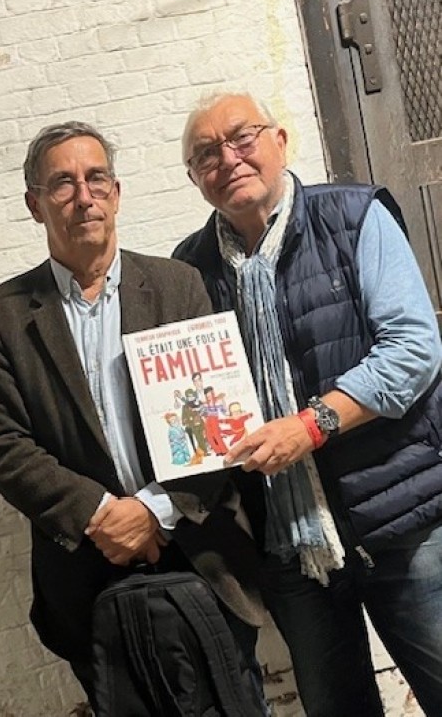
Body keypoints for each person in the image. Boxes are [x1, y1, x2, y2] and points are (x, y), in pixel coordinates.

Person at [0, 121, 267, 713]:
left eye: (96, 178)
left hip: (199, 555)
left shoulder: (178, 286)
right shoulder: (3, 314)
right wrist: (102, 515)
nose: (84, 196)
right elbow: (3, 445)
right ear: (35, 204)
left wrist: (153, 510)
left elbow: (220, 420)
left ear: (116, 192)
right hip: (87, 571)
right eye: (62, 183)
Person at [174, 91, 442, 716]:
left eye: (242, 138)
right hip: (289, 543)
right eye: (207, 154)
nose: (228, 159)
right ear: (194, 178)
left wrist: (311, 424)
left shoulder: (354, 215)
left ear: (280, 141)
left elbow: (412, 349)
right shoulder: (189, 269)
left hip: (402, 518)